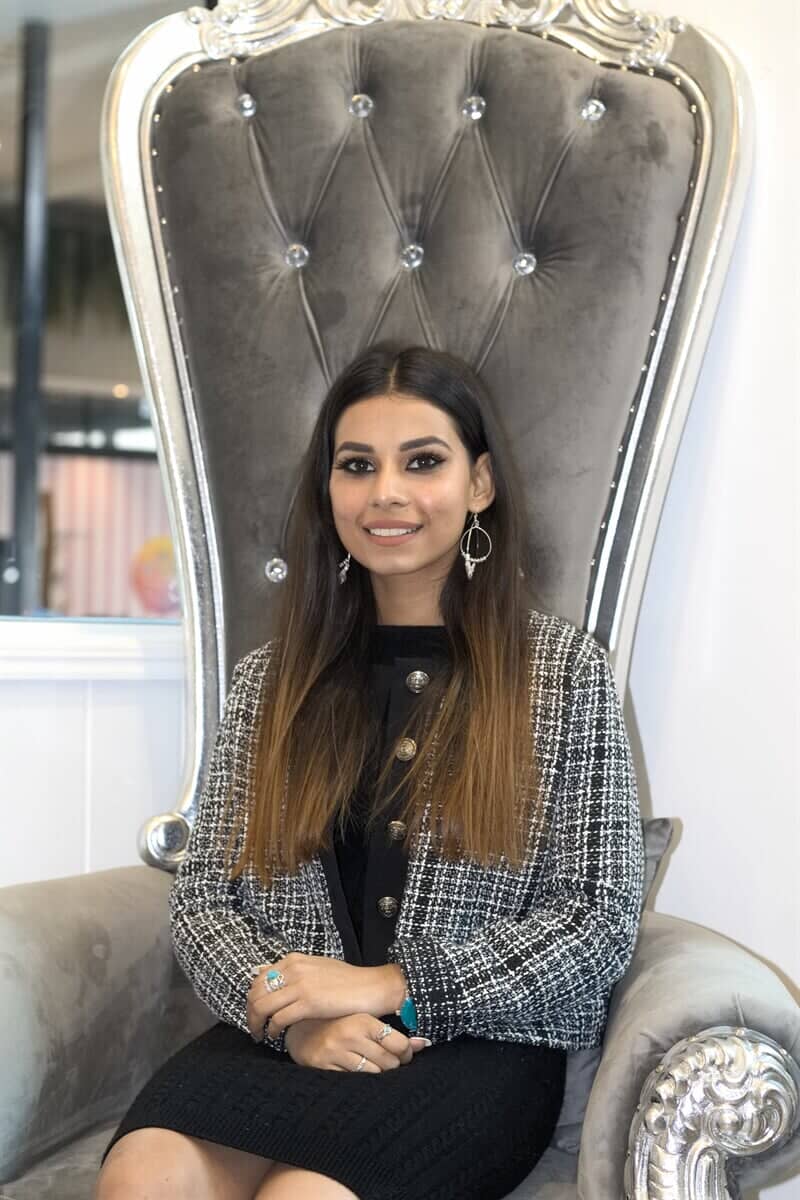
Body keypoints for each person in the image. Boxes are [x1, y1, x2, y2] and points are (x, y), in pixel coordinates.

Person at [94, 343, 645, 1200]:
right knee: (142, 1174)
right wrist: (290, 1017)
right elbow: (204, 900)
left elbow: (598, 919)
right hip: (289, 1034)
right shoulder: (271, 683)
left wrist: (392, 987)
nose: (386, 492)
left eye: (422, 461)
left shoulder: (564, 674)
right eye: (357, 465)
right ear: (330, 491)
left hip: (477, 1049)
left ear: (480, 485)